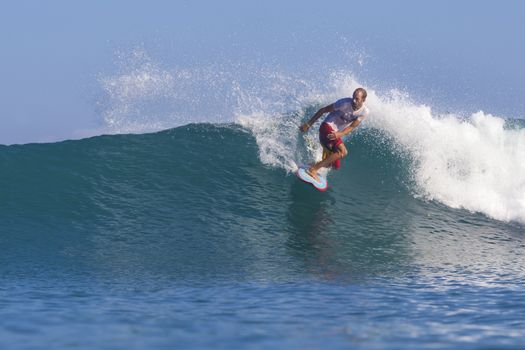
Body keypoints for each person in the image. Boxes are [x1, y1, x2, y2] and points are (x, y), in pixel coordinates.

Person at [299, 88, 369, 181]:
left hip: (335, 134)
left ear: (363, 100)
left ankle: (312, 165)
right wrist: (308, 124)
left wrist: (340, 134)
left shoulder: (364, 112)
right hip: (327, 127)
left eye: (357, 99)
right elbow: (323, 110)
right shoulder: (344, 103)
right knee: (343, 151)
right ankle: (313, 170)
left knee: (334, 165)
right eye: (353, 97)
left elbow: (352, 126)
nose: (353, 100)